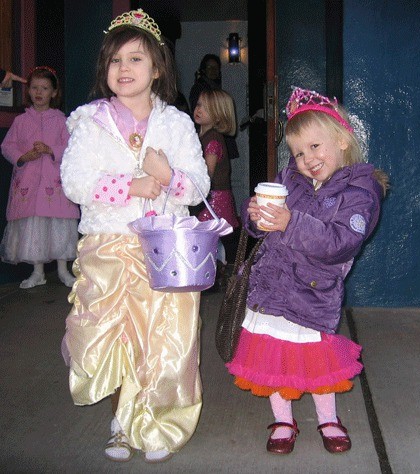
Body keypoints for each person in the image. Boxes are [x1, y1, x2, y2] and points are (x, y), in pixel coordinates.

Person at [59, 9, 210, 464]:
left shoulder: (177, 124)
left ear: (157, 68)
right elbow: (75, 181)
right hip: (109, 247)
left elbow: (200, 186)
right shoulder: (90, 122)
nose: (124, 69)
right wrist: (131, 185)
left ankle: (157, 421)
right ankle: (122, 423)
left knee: (164, 340)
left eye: (136, 59)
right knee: (113, 340)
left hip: (166, 249)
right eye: (114, 60)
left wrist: (168, 176)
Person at [226, 87, 389, 454]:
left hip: (314, 292)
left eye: (316, 147)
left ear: (342, 140)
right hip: (269, 288)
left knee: (316, 361)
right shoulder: (289, 181)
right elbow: (261, 232)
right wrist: (255, 217)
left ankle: (328, 418)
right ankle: (283, 420)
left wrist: (288, 223)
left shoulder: (360, 192)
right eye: (299, 152)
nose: (307, 159)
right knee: (271, 355)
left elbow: (340, 242)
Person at [0, 66, 79, 289]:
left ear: (54, 92)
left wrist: (51, 149)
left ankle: (63, 270)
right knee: (34, 227)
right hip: (29, 183)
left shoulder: (62, 120)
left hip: (54, 184)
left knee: (59, 225)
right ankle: (38, 272)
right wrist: (23, 156)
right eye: (34, 88)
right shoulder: (21, 121)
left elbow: (71, 147)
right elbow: (7, 146)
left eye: (44, 88)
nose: (39, 92)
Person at [192, 87, 240, 264]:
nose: (199, 109)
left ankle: (217, 269)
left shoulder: (213, 139)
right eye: (198, 105)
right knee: (209, 238)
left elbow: (207, 173)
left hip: (215, 198)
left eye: (206, 108)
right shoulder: (199, 135)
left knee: (208, 237)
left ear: (219, 115)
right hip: (210, 196)